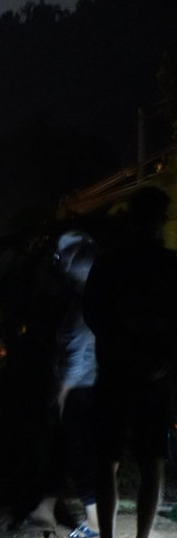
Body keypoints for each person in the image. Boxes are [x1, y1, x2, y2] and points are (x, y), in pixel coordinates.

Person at [82, 187, 177, 538]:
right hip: (152, 375)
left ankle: (109, 536)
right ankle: (139, 537)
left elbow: (92, 312)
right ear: (161, 219)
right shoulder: (169, 265)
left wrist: (120, 336)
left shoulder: (111, 262)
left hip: (117, 372)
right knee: (150, 461)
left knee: (108, 460)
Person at [27, 230, 101, 538]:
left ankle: (95, 524)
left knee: (77, 454)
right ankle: (45, 507)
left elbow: (76, 355)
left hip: (79, 391)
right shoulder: (92, 300)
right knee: (67, 451)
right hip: (89, 388)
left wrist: (61, 395)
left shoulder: (83, 307)